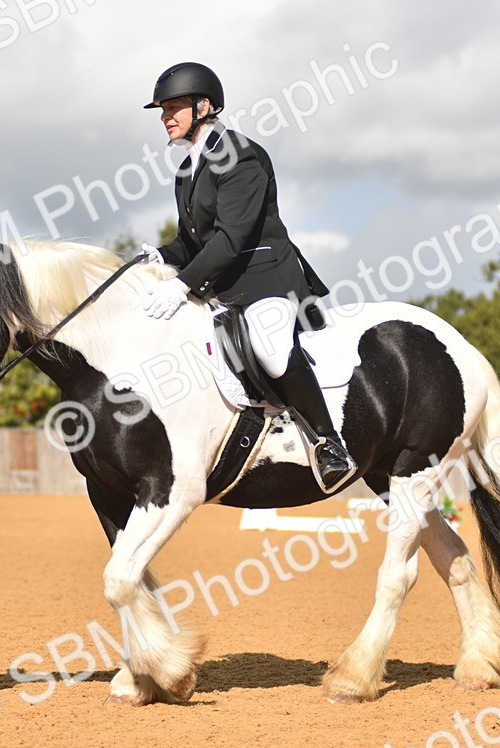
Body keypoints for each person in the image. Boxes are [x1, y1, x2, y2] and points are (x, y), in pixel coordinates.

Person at [138, 62, 357, 493]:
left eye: (174, 107)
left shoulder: (240, 155)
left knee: (272, 349)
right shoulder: (187, 170)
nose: (165, 116)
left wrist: (181, 284)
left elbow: (232, 236)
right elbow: (192, 243)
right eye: (162, 109)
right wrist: (156, 257)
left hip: (264, 278)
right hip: (221, 286)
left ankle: (330, 444)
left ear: (204, 107)